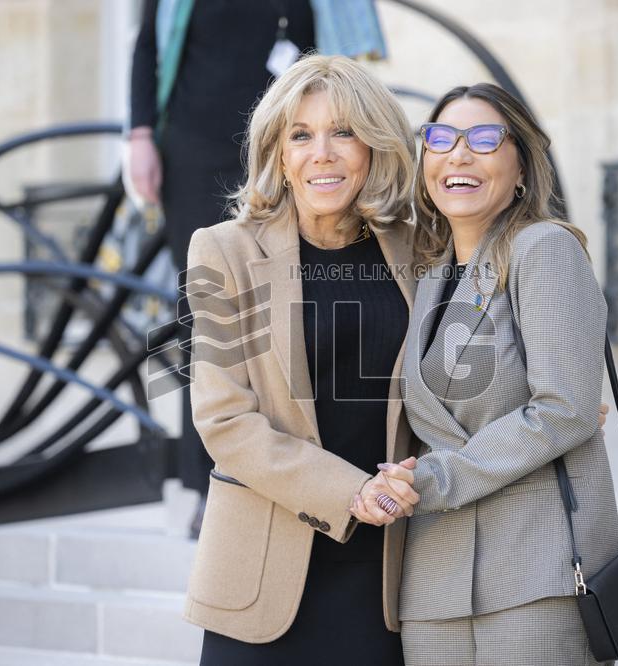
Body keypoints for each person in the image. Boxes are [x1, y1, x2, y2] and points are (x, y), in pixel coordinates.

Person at [183, 55, 419, 665]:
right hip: (262, 569)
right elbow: (224, 420)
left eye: (344, 132)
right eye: (301, 135)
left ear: (374, 146)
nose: (323, 154)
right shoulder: (222, 251)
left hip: (386, 573)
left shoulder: (421, 248)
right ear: (278, 154)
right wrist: (351, 491)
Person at [378, 83, 618, 666]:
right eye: (441, 138)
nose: (459, 154)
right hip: (434, 581)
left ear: (521, 168)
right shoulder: (429, 273)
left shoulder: (544, 248)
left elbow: (564, 410)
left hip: (537, 567)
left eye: (484, 139)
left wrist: (432, 479)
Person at [126, 0, 315, 534]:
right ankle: (209, 483)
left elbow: (321, 57)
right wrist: (139, 135)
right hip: (193, 151)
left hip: (280, 152)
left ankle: (291, 468)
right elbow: (147, 46)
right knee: (206, 319)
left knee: (285, 307)